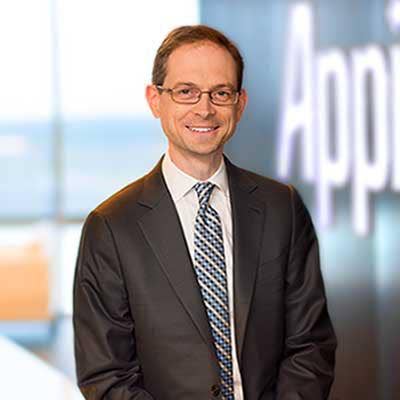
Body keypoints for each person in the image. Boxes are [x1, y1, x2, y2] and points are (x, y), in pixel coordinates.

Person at [73, 25, 337, 400]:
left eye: (221, 93)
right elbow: (107, 376)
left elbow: (311, 346)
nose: (204, 108)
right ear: (155, 99)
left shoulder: (283, 209)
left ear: (240, 104)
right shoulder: (112, 227)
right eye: (186, 92)